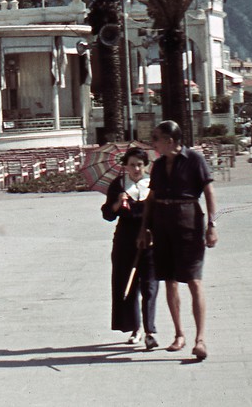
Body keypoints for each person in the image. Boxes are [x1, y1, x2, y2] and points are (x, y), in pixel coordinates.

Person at [141, 120, 218, 361]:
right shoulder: (158, 165)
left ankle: (200, 339)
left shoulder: (194, 160)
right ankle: (179, 334)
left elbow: (209, 192)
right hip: (162, 224)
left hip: (189, 223)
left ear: (170, 141)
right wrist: (144, 228)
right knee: (169, 281)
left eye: (156, 138)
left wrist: (212, 226)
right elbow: (151, 199)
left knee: (194, 280)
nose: (153, 142)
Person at [101, 147, 159, 350]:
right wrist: (118, 203)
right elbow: (108, 214)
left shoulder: (153, 184)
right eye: (132, 164)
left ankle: (150, 331)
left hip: (150, 241)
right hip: (125, 242)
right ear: (125, 166)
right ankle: (136, 328)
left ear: (145, 166)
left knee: (150, 286)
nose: (136, 168)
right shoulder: (119, 185)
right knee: (129, 287)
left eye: (140, 165)